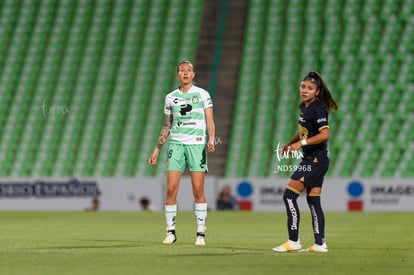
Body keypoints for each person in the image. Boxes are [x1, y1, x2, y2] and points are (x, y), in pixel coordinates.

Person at [148, 60, 215, 246]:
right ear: (178, 74)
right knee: (170, 189)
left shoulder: (202, 94)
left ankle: (200, 232)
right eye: (182, 70)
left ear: (193, 74)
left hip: (196, 145)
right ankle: (170, 232)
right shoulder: (171, 97)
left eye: (189, 70)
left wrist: (211, 139)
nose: (185, 73)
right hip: (176, 145)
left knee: (198, 189)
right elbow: (166, 126)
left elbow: (210, 121)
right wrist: (156, 149)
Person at [273, 71, 337, 253]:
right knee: (313, 201)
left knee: (289, 196)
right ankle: (319, 244)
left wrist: (300, 144)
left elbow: (325, 135)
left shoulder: (318, 108)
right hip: (315, 158)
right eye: (303, 86)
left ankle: (293, 241)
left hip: (316, 159)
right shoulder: (305, 108)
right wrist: (290, 143)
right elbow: (305, 132)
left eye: (310, 88)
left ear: (317, 92)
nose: (305, 90)